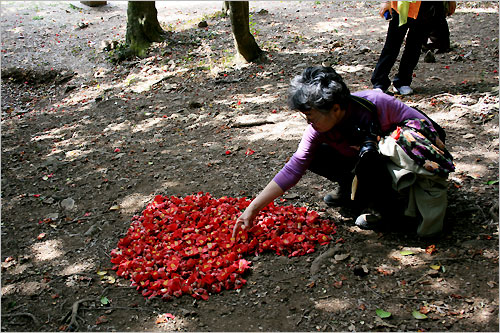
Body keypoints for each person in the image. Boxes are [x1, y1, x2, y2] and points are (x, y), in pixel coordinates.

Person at [233, 66, 454, 238]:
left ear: (336, 108)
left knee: (371, 159)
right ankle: (350, 191)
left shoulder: (376, 104)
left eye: (312, 116)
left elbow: (430, 137)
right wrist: (253, 209)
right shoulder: (317, 129)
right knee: (314, 154)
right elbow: (295, 166)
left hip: (399, 164)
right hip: (361, 162)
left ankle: (393, 214)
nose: (309, 122)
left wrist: (384, 144)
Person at [371, 1, 452, 95]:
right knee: (392, 44)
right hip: (400, 6)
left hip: (426, 8)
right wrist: (386, 2)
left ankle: (403, 82)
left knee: (415, 46)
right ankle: (379, 83)